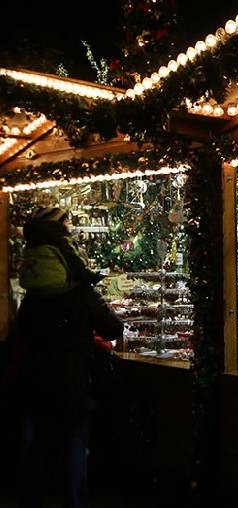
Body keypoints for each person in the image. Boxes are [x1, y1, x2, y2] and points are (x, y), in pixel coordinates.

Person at [9, 209, 124, 508]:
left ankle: (31, 499)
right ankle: (74, 501)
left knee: (39, 444)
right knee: (75, 442)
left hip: (33, 380)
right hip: (71, 380)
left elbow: (21, 334)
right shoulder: (78, 292)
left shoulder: (32, 298)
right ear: (67, 256)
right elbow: (112, 328)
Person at [20, 207, 102, 292]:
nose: (69, 224)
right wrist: (93, 277)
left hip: (33, 290)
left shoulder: (32, 240)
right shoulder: (61, 240)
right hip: (58, 288)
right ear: (57, 223)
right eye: (66, 221)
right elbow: (74, 262)